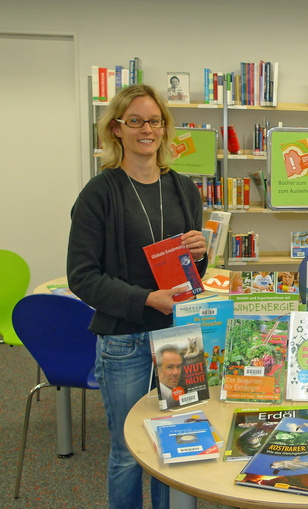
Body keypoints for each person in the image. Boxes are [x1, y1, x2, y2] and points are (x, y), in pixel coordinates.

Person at [67, 83, 207, 509]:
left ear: (165, 129)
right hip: (124, 341)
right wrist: (146, 299)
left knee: (176, 451)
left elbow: (190, 275)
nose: (147, 129)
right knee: (128, 454)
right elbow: (82, 277)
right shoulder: (99, 192)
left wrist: (199, 255)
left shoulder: (184, 189)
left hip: (179, 338)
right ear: (117, 129)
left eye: (155, 121)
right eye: (136, 121)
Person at [155, 344, 183, 409]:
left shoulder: (177, 391)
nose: (176, 373)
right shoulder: (162, 396)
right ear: (158, 370)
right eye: (170, 367)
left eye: (178, 366)